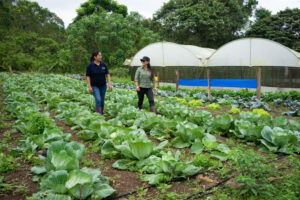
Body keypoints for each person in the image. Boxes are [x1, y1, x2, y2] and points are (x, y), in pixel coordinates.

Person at [86, 51, 112, 115]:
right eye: (99, 55)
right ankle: (99, 115)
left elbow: (107, 74)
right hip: (94, 86)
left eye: (101, 55)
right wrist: (89, 86)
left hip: (103, 86)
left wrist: (109, 84)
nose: (101, 57)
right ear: (95, 57)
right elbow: (88, 76)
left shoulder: (103, 65)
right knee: (98, 99)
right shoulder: (90, 65)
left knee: (102, 100)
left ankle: (101, 113)